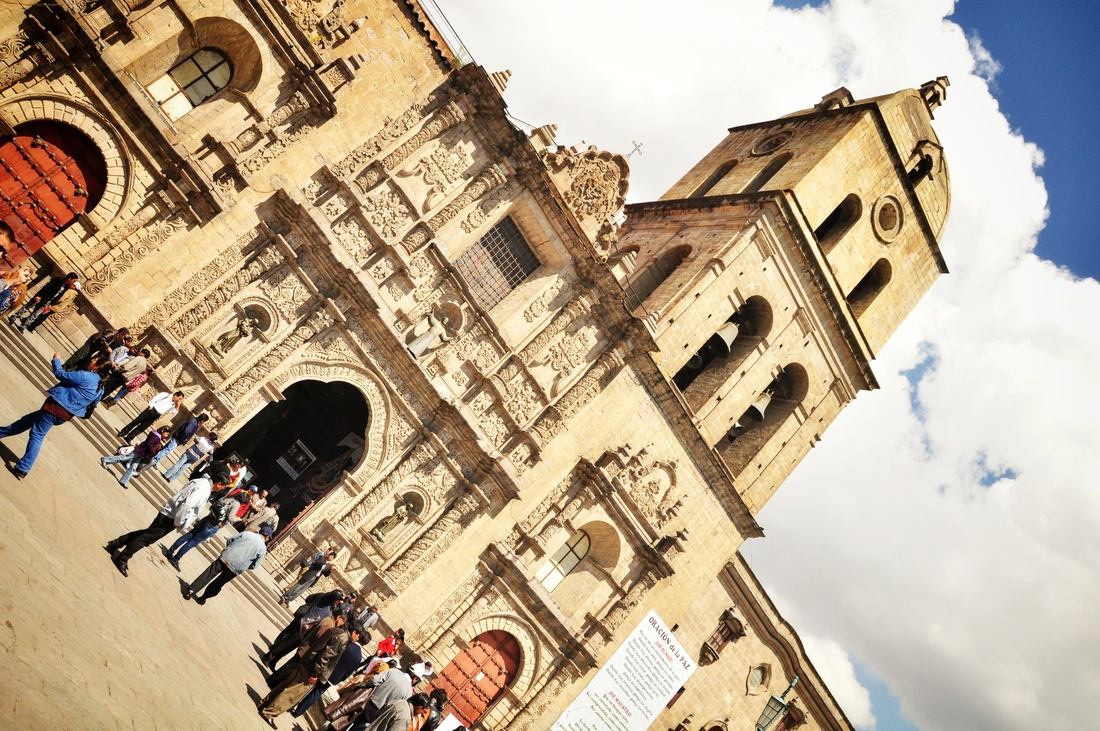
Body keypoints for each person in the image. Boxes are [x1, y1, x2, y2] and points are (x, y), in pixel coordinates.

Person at [104, 466, 231, 577]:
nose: (223, 489)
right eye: (223, 486)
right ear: (219, 483)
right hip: (171, 517)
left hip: (170, 513)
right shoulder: (203, 489)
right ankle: (123, 558)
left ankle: (115, 543)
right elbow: (186, 505)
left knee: (146, 534)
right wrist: (179, 521)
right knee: (146, 539)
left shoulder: (202, 482)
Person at [0, 351, 104, 478]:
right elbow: (93, 404)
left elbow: (60, 374)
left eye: (93, 360)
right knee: (26, 421)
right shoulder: (101, 387)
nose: (90, 360)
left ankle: (23, 467)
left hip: (55, 408)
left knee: (37, 435)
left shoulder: (86, 376)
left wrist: (56, 359)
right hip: (65, 414)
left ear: (97, 366)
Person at [258, 610, 350, 725]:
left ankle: (265, 703)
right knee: (292, 693)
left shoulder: (334, 630)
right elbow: (324, 656)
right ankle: (269, 712)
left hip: (307, 660)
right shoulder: (339, 634)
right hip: (310, 666)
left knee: (287, 684)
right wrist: (315, 674)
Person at [181, 524, 272, 604]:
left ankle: (191, 590)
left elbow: (230, 539)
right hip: (236, 568)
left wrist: (229, 549)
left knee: (208, 574)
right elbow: (255, 566)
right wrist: (245, 564)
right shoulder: (263, 549)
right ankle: (203, 598)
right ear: (267, 536)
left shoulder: (247, 534)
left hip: (226, 557)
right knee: (219, 583)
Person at [291, 623, 367, 717]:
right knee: (316, 694)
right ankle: (298, 711)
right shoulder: (359, 657)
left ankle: (292, 703)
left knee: (306, 685)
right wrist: (339, 679)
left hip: (325, 669)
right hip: (334, 678)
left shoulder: (347, 644)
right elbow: (349, 672)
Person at [260, 590, 345, 670]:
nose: (337, 603)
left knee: (290, 646)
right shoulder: (328, 610)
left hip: (303, 624)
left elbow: (308, 598)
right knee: (286, 643)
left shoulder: (321, 597)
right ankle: (268, 657)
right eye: (337, 600)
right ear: (334, 598)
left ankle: (274, 661)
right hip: (303, 627)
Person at [162, 490, 238, 569]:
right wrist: (239, 519)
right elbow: (231, 517)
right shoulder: (236, 504)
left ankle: (170, 551)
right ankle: (176, 558)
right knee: (192, 542)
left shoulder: (226, 497)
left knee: (189, 535)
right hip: (213, 525)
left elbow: (212, 506)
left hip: (207, 519)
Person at [99, 425, 171, 487]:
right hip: (140, 451)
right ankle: (105, 460)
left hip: (141, 453)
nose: (167, 436)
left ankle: (123, 481)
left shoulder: (156, 436)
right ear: (162, 431)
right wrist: (152, 451)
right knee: (123, 458)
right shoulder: (156, 437)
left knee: (133, 467)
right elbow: (149, 444)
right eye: (167, 434)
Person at [8, 271, 77, 331]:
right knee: (27, 307)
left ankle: (23, 326)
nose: (74, 282)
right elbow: (46, 287)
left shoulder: (65, 287)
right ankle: (14, 317)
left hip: (47, 302)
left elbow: (58, 296)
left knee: (36, 314)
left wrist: (51, 304)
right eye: (74, 281)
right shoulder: (58, 280)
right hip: (42, 297)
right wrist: (39, 295)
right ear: (70, 278)